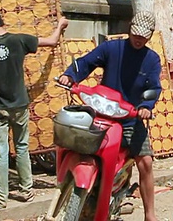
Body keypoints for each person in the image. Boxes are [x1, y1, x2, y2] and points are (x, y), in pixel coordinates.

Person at [0, 8, 69, 209]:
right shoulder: (20, 40)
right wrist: (60, 25)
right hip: (19, 104)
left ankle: (0, 199)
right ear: (1, 21)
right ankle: (27, 191)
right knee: (22, 147)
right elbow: (51, 41)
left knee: (2, 152)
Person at [58, 11, 162, 221]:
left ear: (150, 34)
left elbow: (154, 87)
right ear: (130, 27)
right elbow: (86, 63)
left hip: (130, 118)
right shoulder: (111, 48)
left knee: (146, 163)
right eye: (136, 33)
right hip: (101, 112)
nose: (139, 38)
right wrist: (70, 75)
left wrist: (146, 106)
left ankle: (150, 214)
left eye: (144, 35)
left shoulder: (152, 59)